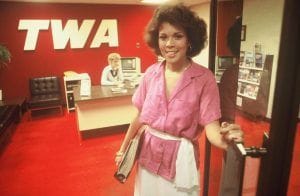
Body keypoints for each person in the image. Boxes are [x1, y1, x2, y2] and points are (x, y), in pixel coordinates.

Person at [115, 4, 244, 196]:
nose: (169, 44)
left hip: (180, 161)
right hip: (148, 152)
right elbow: (139, 116)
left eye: (178, 36)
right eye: (163, 37)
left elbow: (212, 129)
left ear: (190, 40)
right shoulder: (151, 74)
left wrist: (226, 140)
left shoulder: (204, 79)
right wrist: (122, 149)